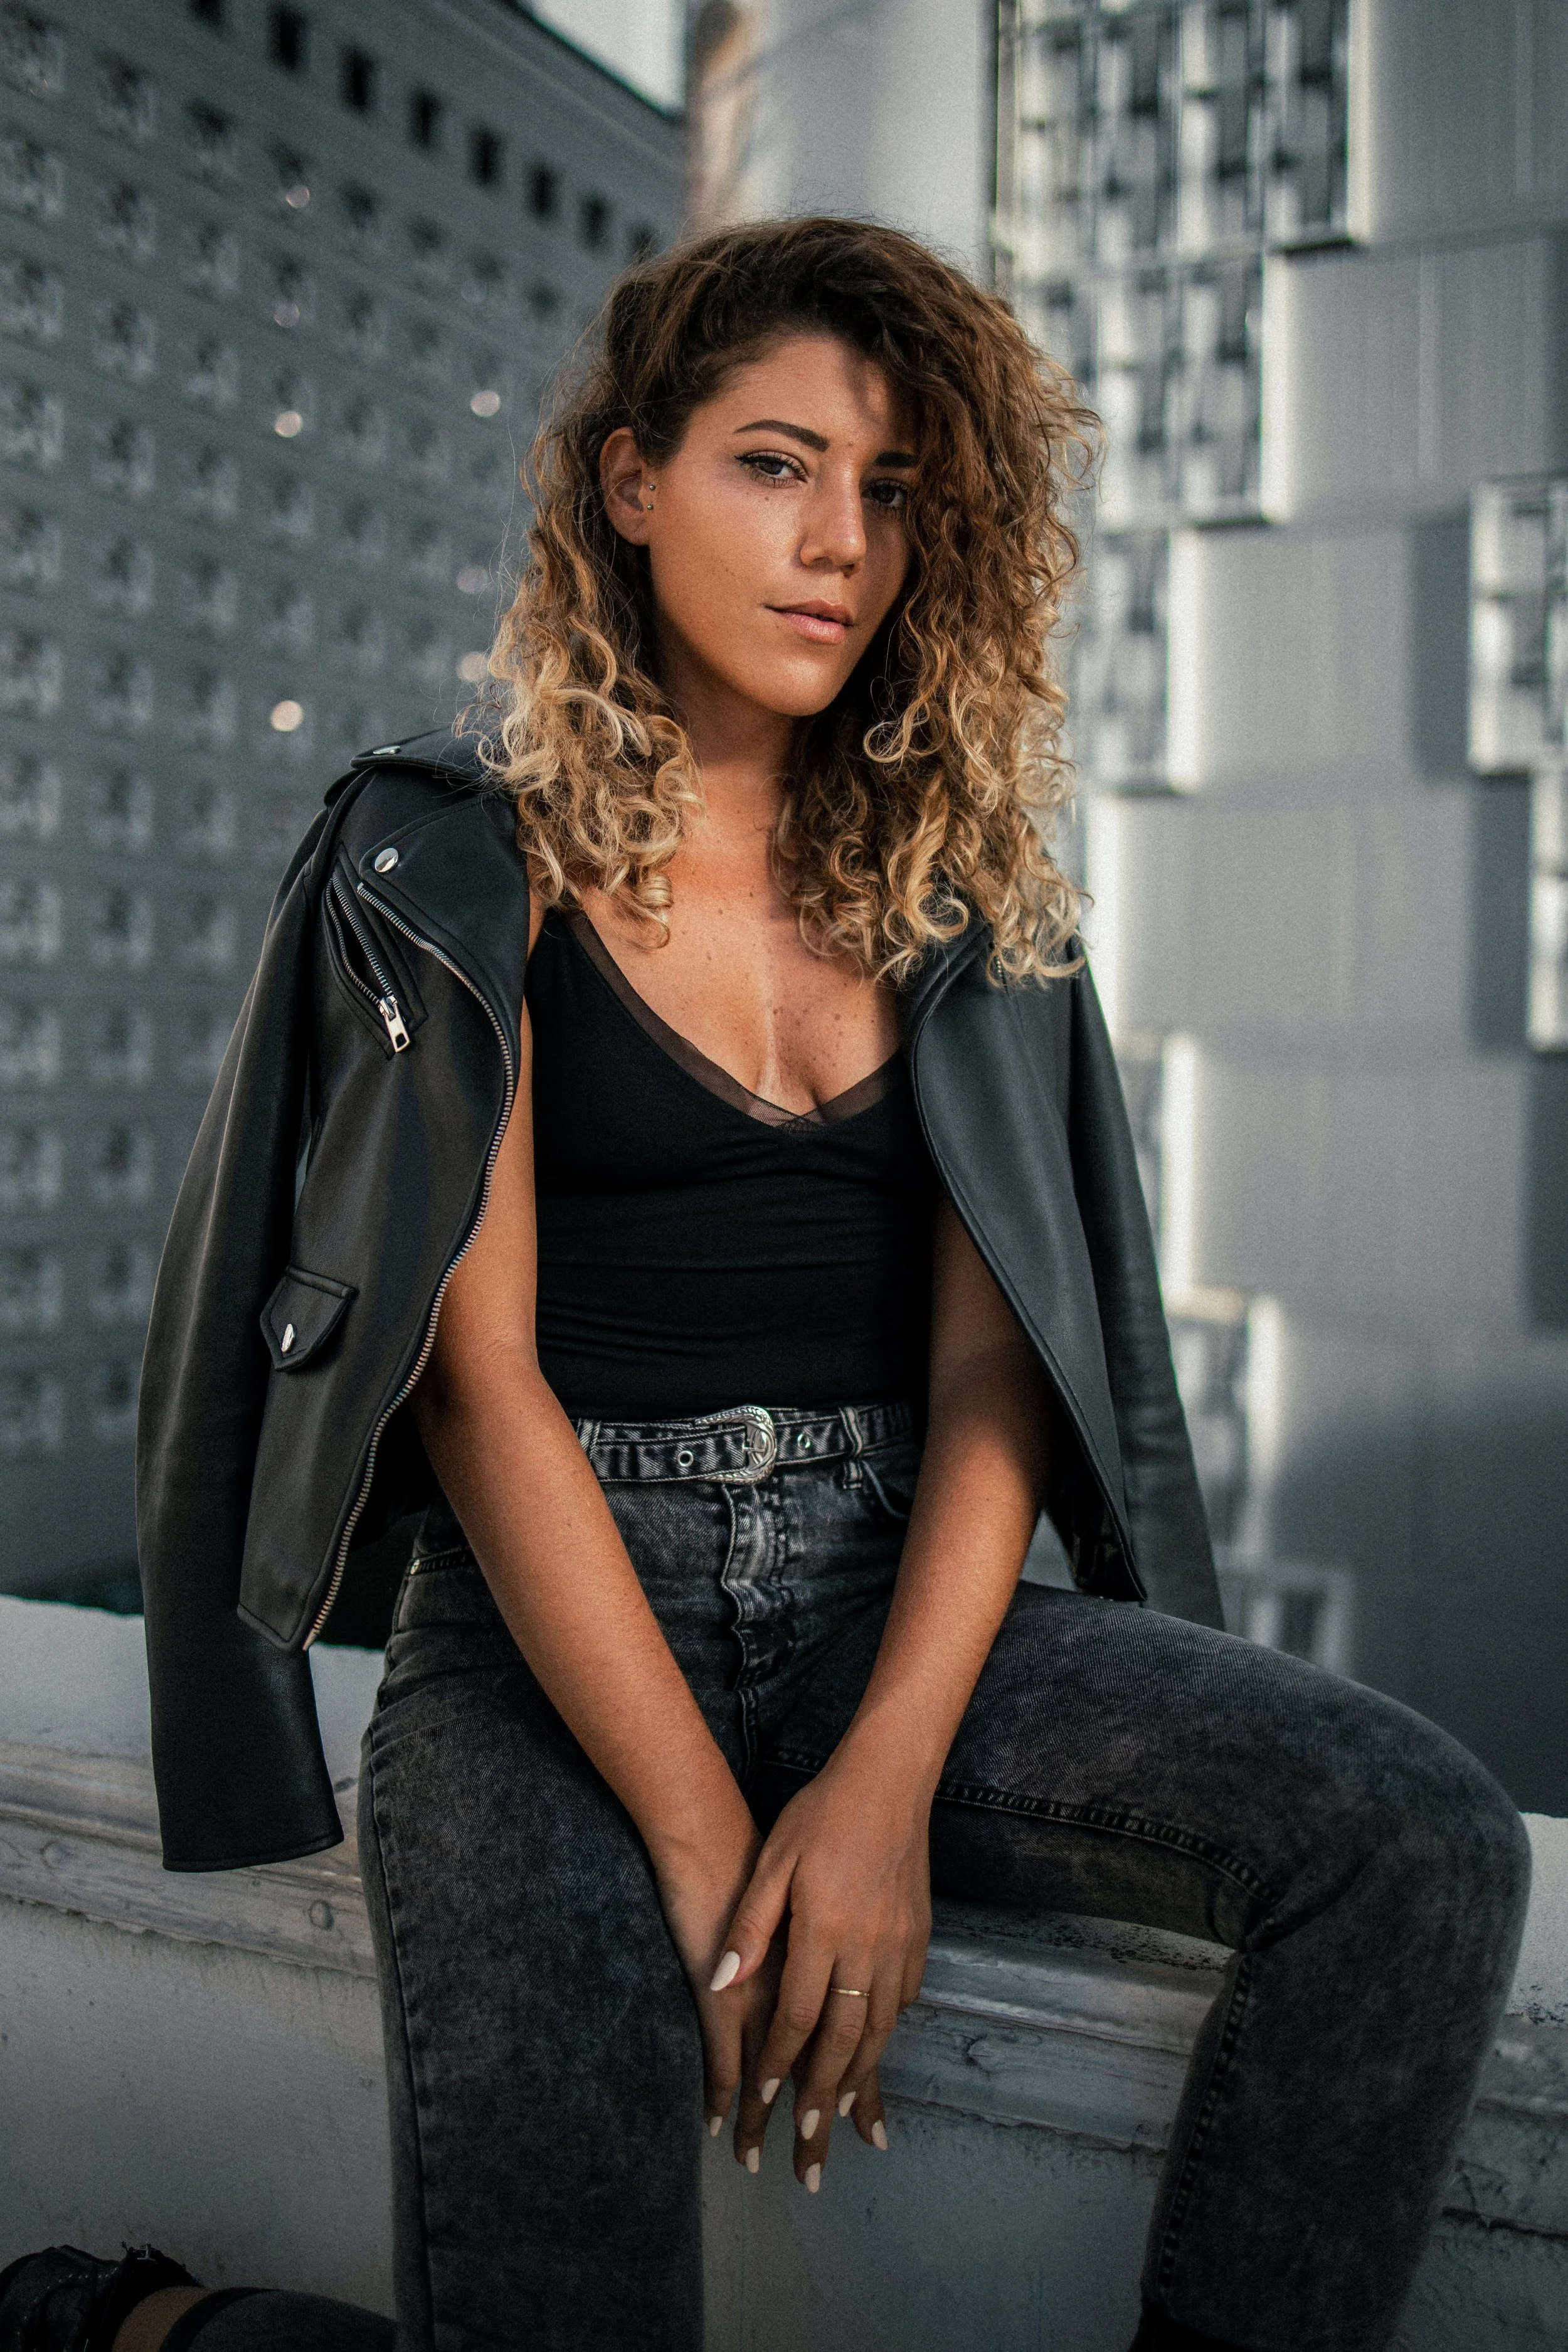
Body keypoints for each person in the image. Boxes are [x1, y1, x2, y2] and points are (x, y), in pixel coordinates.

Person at [1, 217, 1530, 2352]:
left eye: (894, 491)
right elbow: (483, 1388)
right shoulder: (455, 855)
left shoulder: (963, 879)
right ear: (629, 480)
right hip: (548, 1643)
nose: (841, 544)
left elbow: (1001, 1368)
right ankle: (139, 2331)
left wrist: (886, 1784)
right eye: (774, 465)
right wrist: (717, 1842)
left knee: (1422, 1840)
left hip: (898, 1588)